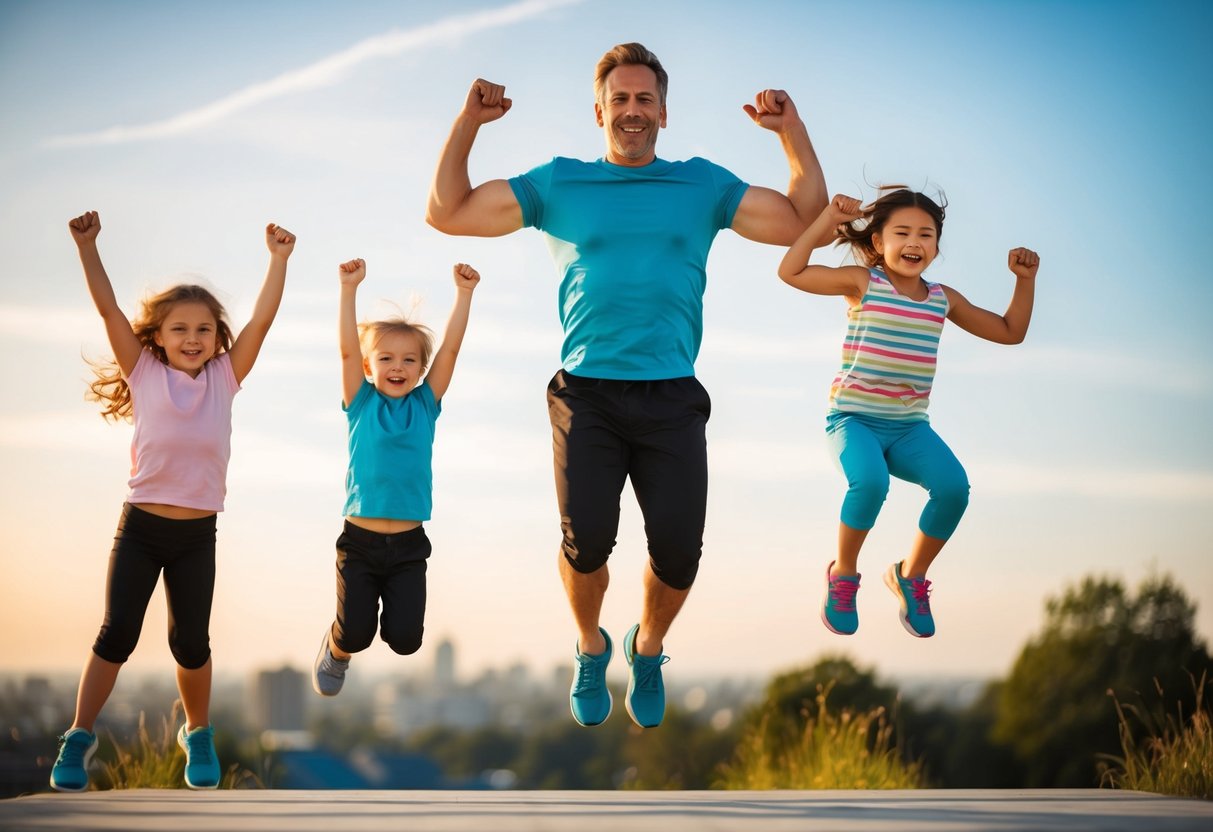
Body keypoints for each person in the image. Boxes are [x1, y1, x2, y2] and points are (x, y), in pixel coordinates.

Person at [426, 42, 827, 728]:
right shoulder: (559, 185)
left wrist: (790, 132)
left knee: (676, 553)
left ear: (663, 112)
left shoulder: (701, 186)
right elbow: (449, 212)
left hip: (670, 393)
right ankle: (590, 644)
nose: (632, 111)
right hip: (586, 392)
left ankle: (647, 647)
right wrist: (469, 122)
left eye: (644, 100)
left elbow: (801, 221)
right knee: (587, 543)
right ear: (598, 111)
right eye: (620, 99)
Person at [51, 211, 296, 792]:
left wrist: (278, 261)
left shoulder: (225, 379)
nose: (192, 338)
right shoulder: (143, 372)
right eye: (179, 329)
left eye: (204, 330)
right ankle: (78, 736)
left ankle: (199, 732)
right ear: (157, 337)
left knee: (191, 642)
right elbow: (110, 311)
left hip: (196, 536)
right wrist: (88, 248)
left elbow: (261, 322)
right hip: (139, 528)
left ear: (218, 339)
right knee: (117, 634)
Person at [777, 189, 1039, 638]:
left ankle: (910, 575)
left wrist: (1024, 279)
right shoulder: (864, 283)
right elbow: (791, 271)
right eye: (902, 232)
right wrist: (825, 219)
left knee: (954, 489)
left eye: (926, 234)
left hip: (908, 429)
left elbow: (1010, 331)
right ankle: (843, 574)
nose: (914, 241)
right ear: (878, 242)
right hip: (853, 421)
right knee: (871, 482)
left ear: (936, 246)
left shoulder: (942, 298)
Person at [312, 259, 479, 697]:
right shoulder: (360, 402)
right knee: (354, 635)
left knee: (406, 641)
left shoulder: (425, 405)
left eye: (408, 359)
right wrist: (348, 289)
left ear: (421, 368)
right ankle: (336, 648)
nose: (397, 366)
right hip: (360, 544)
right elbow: (347, 349)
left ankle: (366, 633)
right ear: (369, 366)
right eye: (385, 358)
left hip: (408, 547)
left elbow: (451, 352)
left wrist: (464, 296)